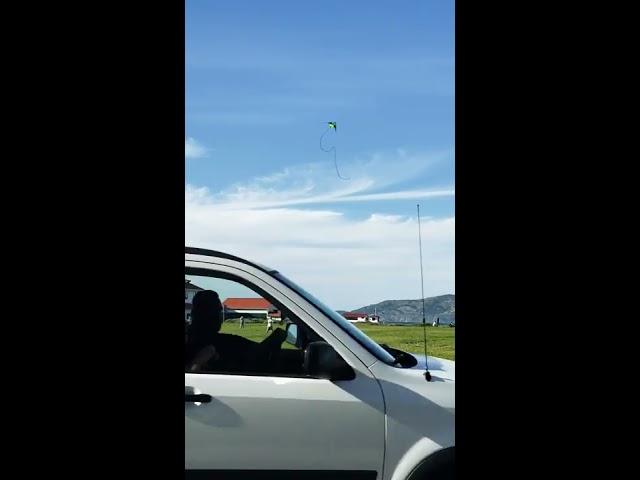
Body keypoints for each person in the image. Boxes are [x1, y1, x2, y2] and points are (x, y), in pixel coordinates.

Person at [186, 290, 286, 373]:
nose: (220, 316)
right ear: (201, 314)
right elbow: (259, 352)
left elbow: (256, 350)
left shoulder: (223, 340)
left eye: (219, 312)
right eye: (217, 311)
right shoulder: (195, 342)